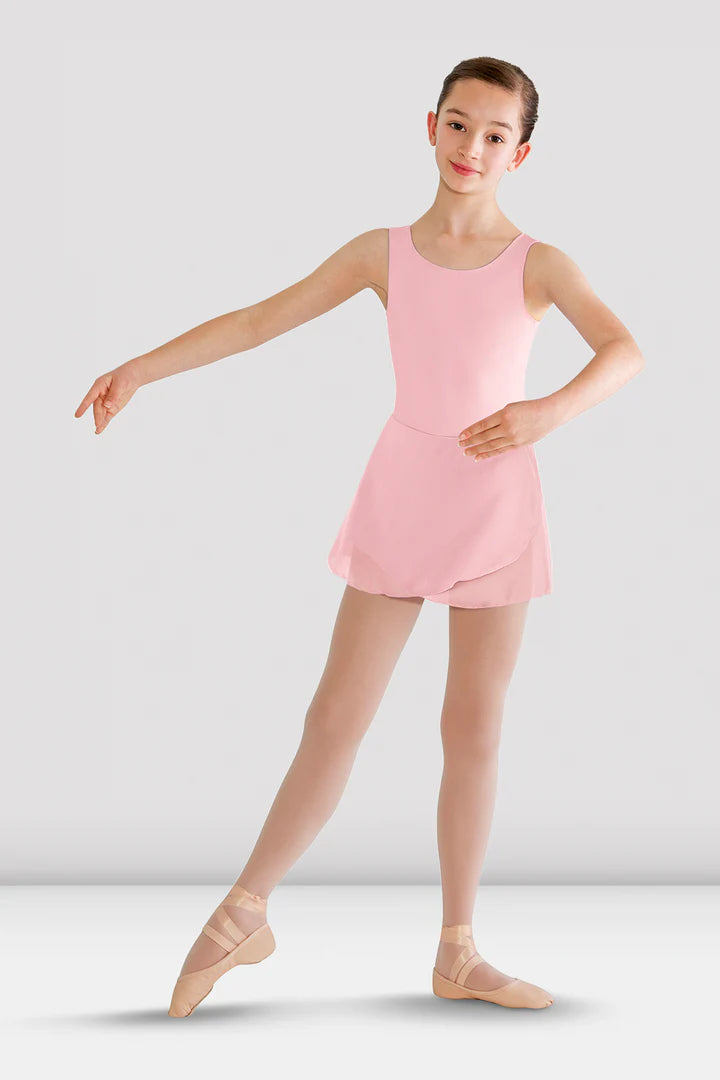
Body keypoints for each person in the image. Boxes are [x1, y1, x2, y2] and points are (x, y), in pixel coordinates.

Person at [74, 55, 644, 1016]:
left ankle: (458, 950)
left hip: (495, 499)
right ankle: (243, 911)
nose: (472, 147)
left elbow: (624, 350)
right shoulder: (383, 252)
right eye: (458, 124)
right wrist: (139, 369)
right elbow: (258, 321)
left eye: (495, 135)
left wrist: (546, 412)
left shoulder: (539, 263)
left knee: (473, 726)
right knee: (336, 715)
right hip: (404, 491)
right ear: (430, 126)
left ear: (521, 153)